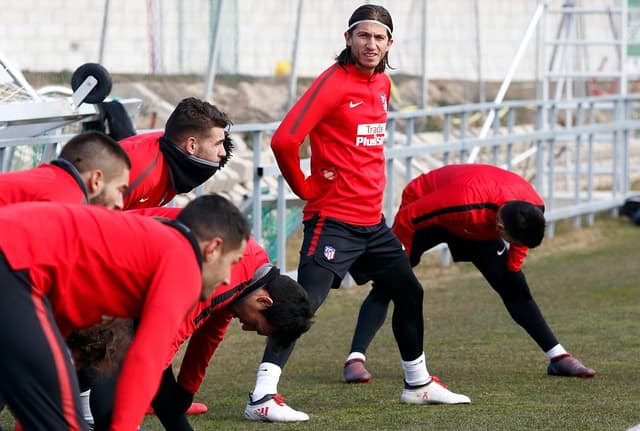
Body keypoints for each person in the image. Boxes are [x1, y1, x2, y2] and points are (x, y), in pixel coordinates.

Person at [243, 4, 470, 423]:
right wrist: (305, 188)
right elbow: (284, 140)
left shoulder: (382, 83)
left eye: (379, 37)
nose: (371, 44)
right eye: (363, 36)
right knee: (303, 304)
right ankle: (261, 397)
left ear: (389, 44)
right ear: (348, 38)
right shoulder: (331, 84)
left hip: (373, 224)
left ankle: (417, 385)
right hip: (333, 221)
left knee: (409, 292)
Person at [0, 194, 250, 431]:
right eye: (233, 262)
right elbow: (146, 359)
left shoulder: (151, 250)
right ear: (213, 248)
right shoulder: (182, 261)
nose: (228, 279)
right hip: (13, 260)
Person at [343, 163, 596, 384]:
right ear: (500, 228)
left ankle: (558, 357)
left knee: (514, 287)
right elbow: (409, 217)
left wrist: (512, 269)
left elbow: (520, 241)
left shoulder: (531, 208)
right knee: (391, 284)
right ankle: (355, 359)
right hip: (428, 206)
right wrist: (399, 262)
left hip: (477, 221)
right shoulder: (462, 202)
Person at [84, 229, 314, 431]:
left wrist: (184, 393)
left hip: (123, 267)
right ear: (264, 301)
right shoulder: (225, 276)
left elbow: (209, 336)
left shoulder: (250, 269)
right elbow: (160, 346)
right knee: (113, 366)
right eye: (256, 326)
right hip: (104, 259)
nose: (245, 327)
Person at [120, 97, 234, 210]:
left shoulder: (176, 158)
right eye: (218, 144)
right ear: (191, 146)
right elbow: (102, 218)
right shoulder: (139, 171)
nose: (223, 152)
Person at [0, 130, 130, 209]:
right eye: (119, 190)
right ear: (96, 180)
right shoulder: (69, 203)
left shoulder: (49, 177)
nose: (120, 203)